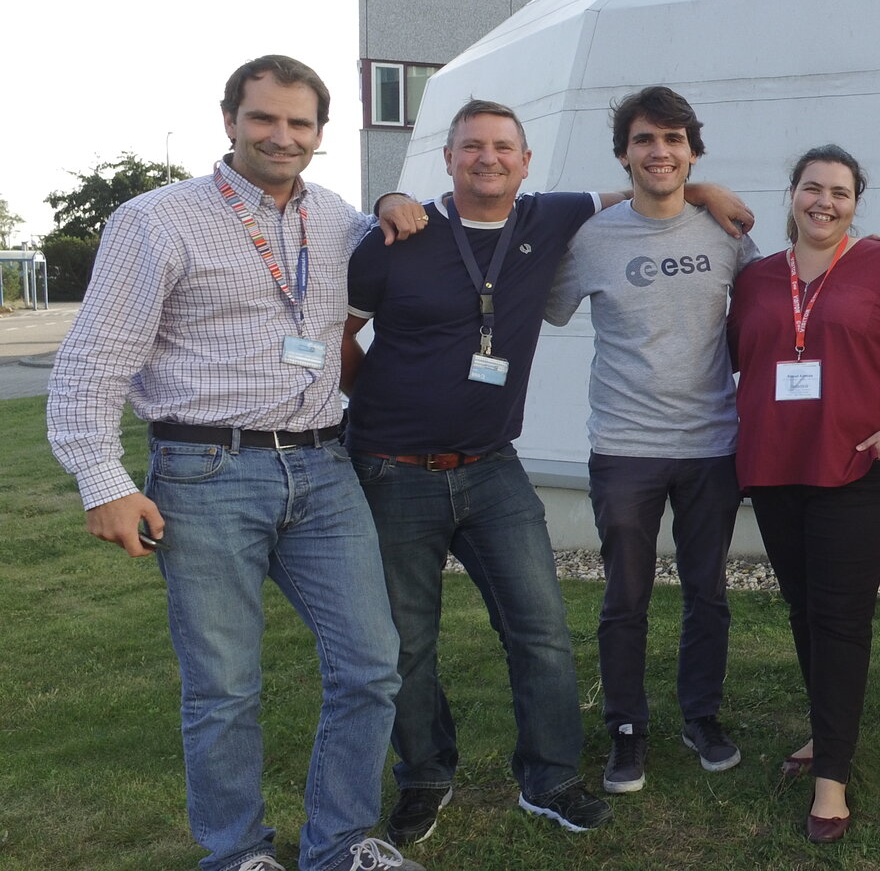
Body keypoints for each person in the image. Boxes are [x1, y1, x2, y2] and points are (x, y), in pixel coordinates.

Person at [47, 55, 430, 871]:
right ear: (230, 121)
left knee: (371, 665)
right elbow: (91, 366)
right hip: (205, 474)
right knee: (223, 689)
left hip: (325, 470)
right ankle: (234, 854)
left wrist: (396, 200)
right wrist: (104, 481)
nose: (282, 136)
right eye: (264, 118)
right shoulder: (157, 221)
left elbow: (398, 237)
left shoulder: (336, 218)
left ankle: (341, 843)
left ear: (321, 135)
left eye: (300, 123)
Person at [342, 97, 751, 845]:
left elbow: (651, 186)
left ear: (527, 163)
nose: (488, 158)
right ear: (449, 157)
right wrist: (372, 401)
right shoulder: (401, 236)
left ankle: (551, 775)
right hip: (397, 470)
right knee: (407, 640)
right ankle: (426, 776)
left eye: (503, 147)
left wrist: (703, 191)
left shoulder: (556, 219)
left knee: (541, 627)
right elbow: (340, 330)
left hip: (496, 465)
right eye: (472, 147)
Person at [545, 86, 759, 793]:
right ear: (624, 153)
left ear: (693, 150)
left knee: (708, 592)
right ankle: (626, 731)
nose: (659, 152)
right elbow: (544, 307)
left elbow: (770, 317)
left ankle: (702, 717)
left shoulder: (725, 233)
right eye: (645, 139)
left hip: (710, 444)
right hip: (625, 446)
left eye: (673, 140)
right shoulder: (592, 239)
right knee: (624, 598)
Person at [727, 145, 880, 843]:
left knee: (842, 618)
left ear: (856, 203)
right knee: (804, 608)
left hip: (856, 466)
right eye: (813, 188)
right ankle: (827, 733)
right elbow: (743, 354)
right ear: (791, 195)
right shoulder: (757, 278)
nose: (825, 201)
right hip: (777, 465)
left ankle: (831, 780)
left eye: (840, 192)